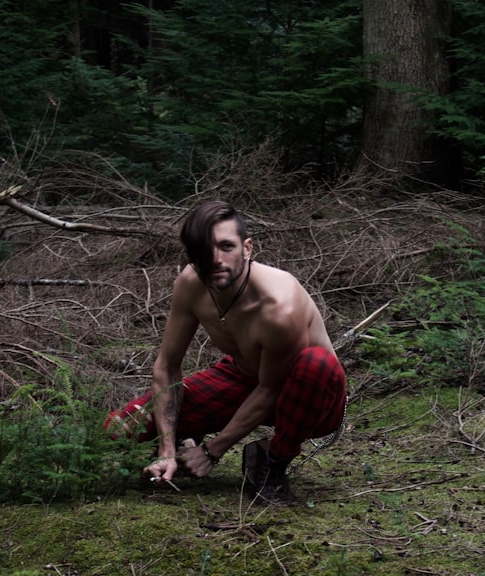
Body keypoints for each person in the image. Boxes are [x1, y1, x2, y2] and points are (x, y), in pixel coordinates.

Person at [105, 200, 347, 502]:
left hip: (312, 400)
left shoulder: (279, 306)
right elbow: (167, 367)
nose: (216, 259)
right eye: (204, 249)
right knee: (118, 427)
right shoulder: (192, 284)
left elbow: (271, 388)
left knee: (316, 363)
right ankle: (180, 445)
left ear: (247, 248)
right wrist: (166, 448)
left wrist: (212, 451)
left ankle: (272, 463)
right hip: (244, 378)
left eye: (226, 246)